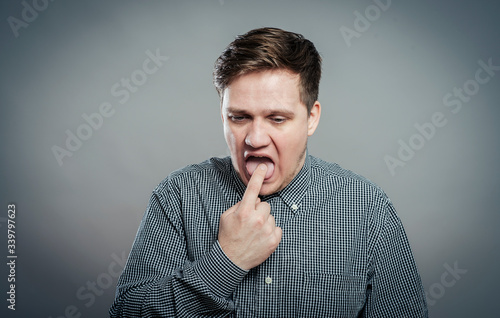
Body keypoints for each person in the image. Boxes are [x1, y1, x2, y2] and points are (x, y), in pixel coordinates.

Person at [109, 27, 428, 317]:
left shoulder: (367, 208)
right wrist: (226, 261)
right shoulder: (178, 196)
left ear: (311, 118)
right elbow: (126, 314)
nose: (255, 139)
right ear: (222, 115)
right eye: (239, 117)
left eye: (277, 118)